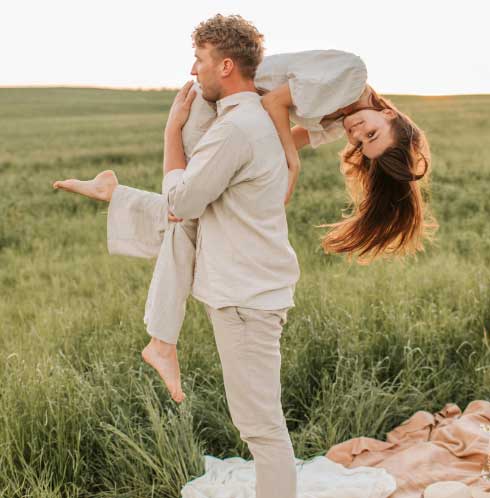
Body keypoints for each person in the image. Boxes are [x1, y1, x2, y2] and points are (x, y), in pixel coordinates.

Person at [53, 19, 436, 406]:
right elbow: (274, 104)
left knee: (193, 218)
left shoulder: (340, 121)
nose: (357, 133)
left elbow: (291, 133)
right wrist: (289, 165)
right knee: (186, 214)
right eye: (370, 133)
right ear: (391, 116)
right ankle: (161, 340)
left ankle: (117, 203)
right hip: (217, 106)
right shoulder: (352, 77)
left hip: (240, 115)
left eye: (361, 142)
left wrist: (274, 160)